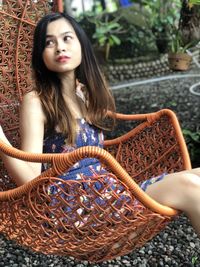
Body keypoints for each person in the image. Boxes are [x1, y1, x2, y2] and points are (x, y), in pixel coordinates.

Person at [0, 12, 200, 235]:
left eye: (67, 38)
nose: (59, 47)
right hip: (76, 206)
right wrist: (1, 141)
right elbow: (30, 179)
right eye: (49, 42)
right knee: (189, 187)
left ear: (81, 45)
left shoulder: (82, 92)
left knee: (197, 176)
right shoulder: (36, 101)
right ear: (41, 54)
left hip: (109, 193)